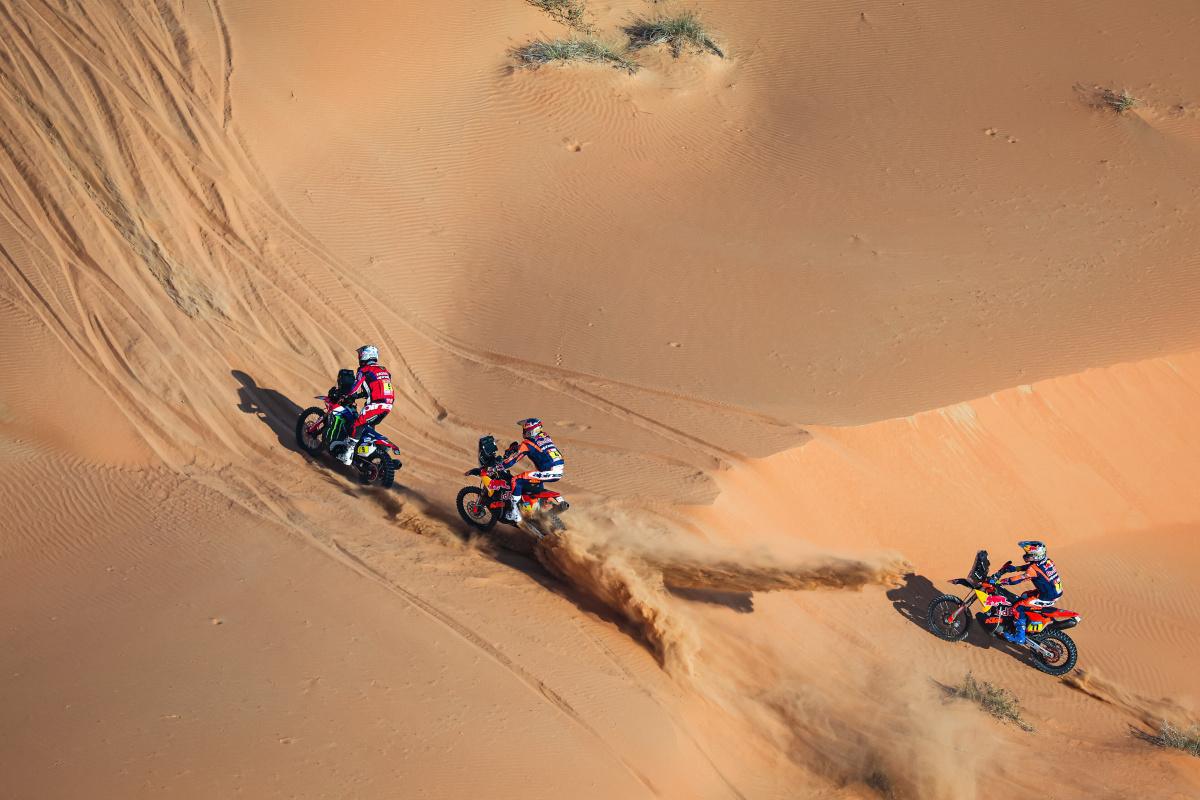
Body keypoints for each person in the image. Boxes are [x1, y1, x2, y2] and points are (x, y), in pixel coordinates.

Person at [332, 345, 395, 465]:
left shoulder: (364, 370)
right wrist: (357, 396)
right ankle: (367, 455)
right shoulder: (384, 370)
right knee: (367, 427)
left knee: (357, 425)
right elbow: (374, 388)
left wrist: (345, 394)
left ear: (365, 355)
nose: (359, 357)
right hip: (388, 405)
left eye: (360, 354)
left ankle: (347, 454)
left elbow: (354, 387)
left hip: (375, 405)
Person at [493, 418, 564, 522]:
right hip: (558, 469)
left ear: (531, 431)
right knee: (533, 481)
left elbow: (511, 461)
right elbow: (537, 447)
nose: (524, 432)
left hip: (548, 472)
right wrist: (516, 448)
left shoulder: (527, 444)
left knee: (516, 480)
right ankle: (542, 503)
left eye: (525, 430)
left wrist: (497, 467)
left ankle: (514, 513)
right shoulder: (544, 436)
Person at [993, 540, 1064, 645]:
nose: (1026, 555)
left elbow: (1017, 579)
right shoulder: (1048, 561)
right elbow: (1032, 567)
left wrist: (999, 582)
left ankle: (1019, 637)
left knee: (1017, 607)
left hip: (1047, 597)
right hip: (1052, 592)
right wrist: (1016, 568)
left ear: (1036, 555)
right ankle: (1027, 621)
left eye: (1028, 554)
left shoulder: (1033, 569)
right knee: (1024, 596)